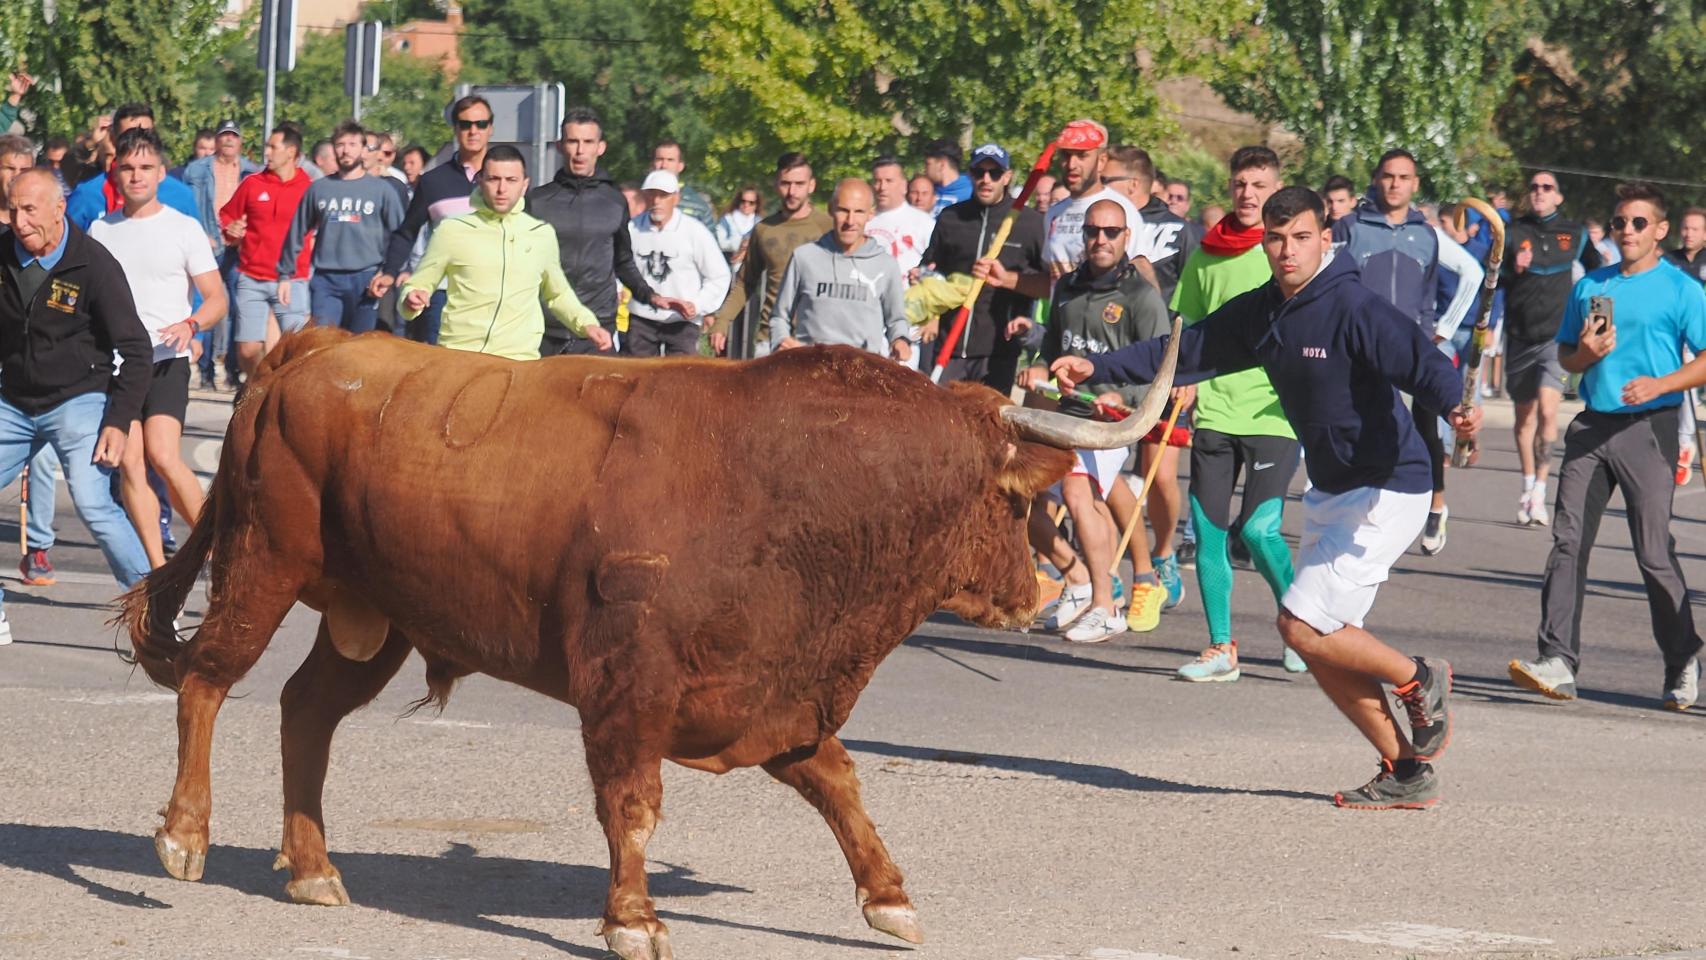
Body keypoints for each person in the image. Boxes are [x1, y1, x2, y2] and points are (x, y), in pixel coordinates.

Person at [1056, 186, 1477, 809]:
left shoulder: (1352, 306)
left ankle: (1420, 677)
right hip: (1334, 488)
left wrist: (1455, 407)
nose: (1287, 251)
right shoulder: (1265, 311)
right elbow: (1189, 348)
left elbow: (1422, 362)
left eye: (1300, 238)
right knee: (1322, 639)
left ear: (1324, 239)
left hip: (1388, 485)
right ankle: (1406, 770)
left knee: (1300, 625)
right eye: (1276, 240)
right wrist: (1103, 367)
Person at [1509, 183, 1705, 712]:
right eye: (1619, 223)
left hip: (1651, 428)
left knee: (1652, 553)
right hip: (1593, 426)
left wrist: (1661, 385)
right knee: (1567, 541)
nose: (1626, 232)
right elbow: (1569, 357)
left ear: (1660, 231)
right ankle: (1558, 660)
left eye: (1638, 223)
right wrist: (1585, 355)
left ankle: (1683, 657)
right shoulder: (1592, 285)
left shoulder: (1681, 289)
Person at [1164, 145, 1303, 680]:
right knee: (1208, 532)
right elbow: (1187, 328)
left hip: (1274, 413)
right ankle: (1221, 646)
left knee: (1262, 530)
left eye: (1259, 185)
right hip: (1216, 413)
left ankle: (1299, 625)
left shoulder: (1285, 252)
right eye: (1241, 184)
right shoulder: (1205, 255)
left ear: (1276, 190)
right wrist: (1183, 380)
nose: (1248, 194)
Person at [0, 169, 155, 643]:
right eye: (13, 210)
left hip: (79, 398)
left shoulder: (93, 264)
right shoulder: (3, 253)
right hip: (13, 399)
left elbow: (136, 351)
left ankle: (150, 608)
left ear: (58, 208)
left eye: (30, 210)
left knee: (92, 502)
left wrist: (118, 420)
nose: (20, 222)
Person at [1017, 198, 1171, 639]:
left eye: (1110, 233)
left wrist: (1118, 396)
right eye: (1092, 232)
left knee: (1077, 492)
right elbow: (1051, 351)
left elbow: (1158, 369)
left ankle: (1108, 605)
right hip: (1066, 413)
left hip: (1112, 421)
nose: (1099, 240)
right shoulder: (1065, 287)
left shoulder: (1141, 296)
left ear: (1126, 238)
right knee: (1021, 497)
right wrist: (1039, 368)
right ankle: (1079, 578)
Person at [1331, 149, 1483, 556]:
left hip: (1414, 348)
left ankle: (1436, 504)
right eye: (1388, 176)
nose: (1395, 183)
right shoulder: (1350, 227)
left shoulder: (1427, 234)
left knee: (1425, 428)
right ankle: (1367, 509)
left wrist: (1444, 330)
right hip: (1362, 347)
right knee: (1365, 425)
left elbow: (1474, 273)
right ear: (1376, 180)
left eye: (1403, 177)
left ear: (1415, 184)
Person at [88, 128, 225, 570]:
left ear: (162, 173)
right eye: (127, 167)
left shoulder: (184, 228)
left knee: (164, 456)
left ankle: (218, 549)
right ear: (115, 173)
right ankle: (156, 573)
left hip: (167, 357)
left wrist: (192, 325)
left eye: (146, 167)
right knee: (130, 463)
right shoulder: (99, 230)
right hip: (116, 364)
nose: (136, 176)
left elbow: (218, 298)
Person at [400, 146, 609, 361]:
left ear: (525, 184)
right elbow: (418, 283)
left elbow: (558, 294)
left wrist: (587, 324)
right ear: (480, 180)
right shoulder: (451, 230)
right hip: (460, 358)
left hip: (519, 361)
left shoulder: (541, 234)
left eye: (511, 180)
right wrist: (412, 298)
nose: (502, 189)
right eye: (493, 179)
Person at [525, 107, 686, 356]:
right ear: (559, 145)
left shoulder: (614, 201)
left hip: (598, 327)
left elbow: (623, 261)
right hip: (546, 329)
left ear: (600, 147)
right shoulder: (538, 201)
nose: (580, 151)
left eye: (588, 142)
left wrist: (651, 296)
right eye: (573, 141)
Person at [1503, 170, 1602, 528]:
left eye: (1547, 187)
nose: (1539, 192)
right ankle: (1527, 483)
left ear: (1559, 196)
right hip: (1519, 334)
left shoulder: (1574, 233)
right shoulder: (1513, 232)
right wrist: (1513, 269)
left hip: (1554, 338)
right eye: (1534, 187)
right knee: (1524, 417)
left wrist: (1594, 316)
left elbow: (1599, 272)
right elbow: (1491, 277)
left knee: (1548, 410)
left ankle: (1541, 491)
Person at [918, 143, 1046, 391]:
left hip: (998, 350)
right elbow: (931, 268)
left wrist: (1011, 283)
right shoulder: (950, 217)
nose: (986, 180)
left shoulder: (1030, 223)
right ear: (970, 175)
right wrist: (931, 315)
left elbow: (1047, 283)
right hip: (949, 346)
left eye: (994, 173)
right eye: (979, 173)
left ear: (1007, 177)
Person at [372, 94, 494, 345]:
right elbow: (407, 232)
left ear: (490, 128)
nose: (473, 131)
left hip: (491, 291)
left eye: (481, 124)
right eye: (465, 124)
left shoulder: (504, 179)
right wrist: (389, 272)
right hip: (442, 293)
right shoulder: (433, 181)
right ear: (455, 129)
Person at [0, 133, 63, 586]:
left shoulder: (37, 225)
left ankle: (38, 547)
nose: (15, 176)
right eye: (8, 169)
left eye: (24, 168)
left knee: (39, 457)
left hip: (31, 363)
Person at [275, 120, 404, 334]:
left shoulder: (382, 190)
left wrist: (391, 271)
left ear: (363, 149)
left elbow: (400, 235)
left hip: (366, 278)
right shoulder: (319, 189)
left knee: (360, 348)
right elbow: (297, 231)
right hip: (327, 280)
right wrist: (284, 275)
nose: (346, 150)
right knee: (324, 343)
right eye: (340, 144)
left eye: (353, 144)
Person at [709, 152, 832, 357]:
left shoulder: (828, 227)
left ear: (811, 185)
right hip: (771, 339)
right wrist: (722, 321)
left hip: (815, 338)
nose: (792, 191)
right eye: (785, 183)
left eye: (799, 184)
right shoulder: (763, 229)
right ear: (776, 185)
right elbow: (745, 283)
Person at [771, 179, 908, 360]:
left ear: (870, 214)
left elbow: (896, 320)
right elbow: (779, 317)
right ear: (831, 209)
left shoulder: (885, 264)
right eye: (843, 210)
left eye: (859, 212)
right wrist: (782, 341)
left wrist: (900, 340)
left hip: (862, 370)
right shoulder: (804, 257)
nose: (850, 221)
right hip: (811, 368)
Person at [219, 123, 314, 377]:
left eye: (273, 147)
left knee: (296, 350)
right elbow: (227, 216)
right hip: (251, 277)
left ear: (291, 151)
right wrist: (232, 229)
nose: (267, 152)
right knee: (248, 350)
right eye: (267, 146)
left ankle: (281, 395)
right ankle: (257, 387)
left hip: (292, 280)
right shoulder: (252, 184)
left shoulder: (309, 188)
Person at [182, 118, 258, 391]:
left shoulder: (252, 172)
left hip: (239, 247)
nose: (228, 140)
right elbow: (190, 206)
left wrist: (245, 228)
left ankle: (234, 369)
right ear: (216, 140)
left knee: (240, 307)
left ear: (240, 142)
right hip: (209, 244)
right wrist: (201, 233)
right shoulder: (197, 170)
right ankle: (204, 370)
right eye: (224, 136)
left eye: (233, 136)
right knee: (208, 305)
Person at [625, 169, 729, 356]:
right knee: (638, 380)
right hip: (642, 319)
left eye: (663, 195)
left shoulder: (695, 232)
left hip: (683, 322)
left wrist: (698, 305)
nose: (656, 201)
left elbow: (719, 275)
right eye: (652, 194)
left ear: (676, 198)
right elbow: (620, 267)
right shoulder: (632, 229)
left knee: (681, 381)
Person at [67, 104, 198, 229]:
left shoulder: (181, 195)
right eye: (129, 135)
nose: (138, 141)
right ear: (113, 139)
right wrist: (89, 143)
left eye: (146, 134)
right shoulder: (88, 195)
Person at [1043, 120, 1142, 278]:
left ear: (1101, 161)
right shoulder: (1053, 214)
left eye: (1082, 155)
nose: (1071, 164)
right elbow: (1050, 283)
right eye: (1066, 155)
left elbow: (1139, 275)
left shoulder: (1122, 210)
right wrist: (1006, 278)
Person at [866, 156, 935, 277]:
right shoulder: (862, 220)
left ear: (904, 186)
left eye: (889, 181)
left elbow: (935, 265)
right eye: (877, 181)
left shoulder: (924, 222)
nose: (882, 187)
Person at [650, 139, 716, 230]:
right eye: (659, 159)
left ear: (680, 166)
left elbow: (711, 241)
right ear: (652, 164)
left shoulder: (698, 204)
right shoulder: (639, 200)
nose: (664, 165)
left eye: (670, 160)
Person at [923, 139, 971, 216]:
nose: (924, 169)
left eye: (927, 164)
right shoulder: (924, 192)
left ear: (941, 165)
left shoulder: (972, 192)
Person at [715, 185, 761, 261]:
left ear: (756, 204)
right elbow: (720, 243)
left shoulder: (760, 223)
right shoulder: (727, 219)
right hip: (728, 263)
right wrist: (740, 244)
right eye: (743, 201)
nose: (746, 205)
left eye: (751, 202)